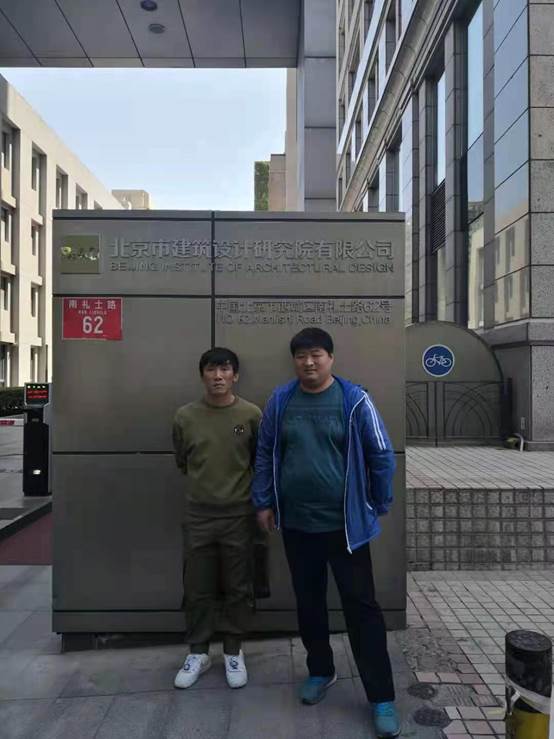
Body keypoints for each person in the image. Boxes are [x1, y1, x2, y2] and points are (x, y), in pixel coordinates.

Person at [252, 328, 400, 738]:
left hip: (345, 528)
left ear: (330, 358)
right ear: (294, 361)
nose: (309, 362)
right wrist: (263, 501)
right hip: (298, 525)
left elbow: (381, 454)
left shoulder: (354, 400)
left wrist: (378, 501)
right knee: (309, 602)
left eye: (316, 354)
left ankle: (381, 696)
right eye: (301, 355)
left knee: (362, 609)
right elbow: (265, 452)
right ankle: (321, 670)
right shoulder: (280, 401)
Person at [172, 347, 262, 690]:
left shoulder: (251, 414)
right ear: (202, 375)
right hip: (198, 515)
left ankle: (233, 651)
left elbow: (258, 460)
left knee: (238, 587)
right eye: (211, 369)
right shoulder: (185, 416)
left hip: (239, 514)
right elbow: (183, 461)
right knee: (197, 586)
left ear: (235, 375)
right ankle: (198, 652)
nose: (218, 376)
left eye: (225, 369)